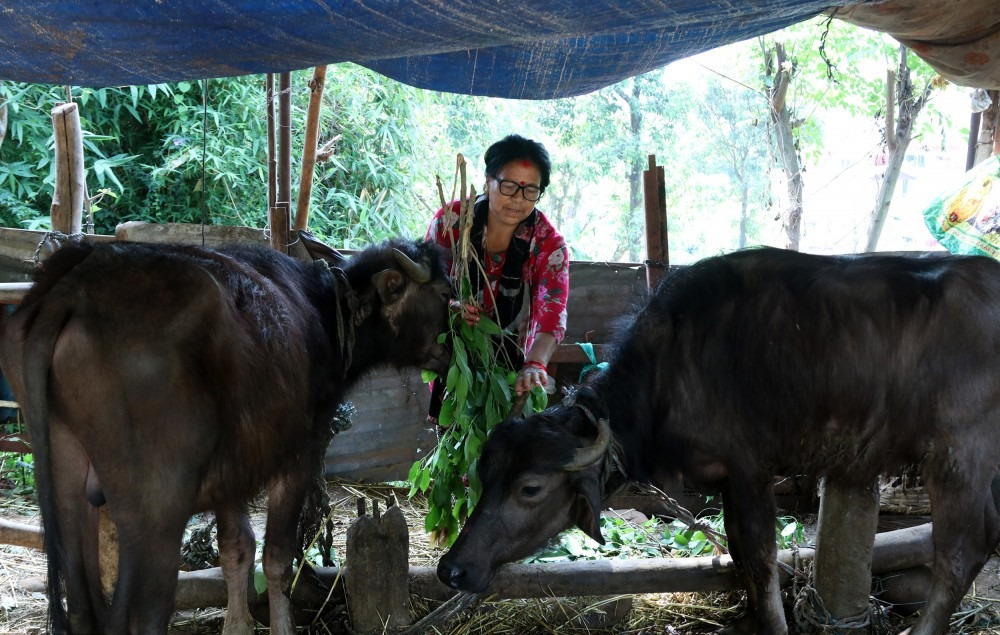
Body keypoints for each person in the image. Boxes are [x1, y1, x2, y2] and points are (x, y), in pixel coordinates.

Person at [426, 134, 569, 422]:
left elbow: (552, 311)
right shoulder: (450, 223)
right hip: (452, 361)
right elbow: (426, 288)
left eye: (530, 190)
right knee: (454, 429)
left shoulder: (548, 244)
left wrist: (535, 364)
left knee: (502, 435)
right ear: (488, 181)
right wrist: (451, 309)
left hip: (510, 370)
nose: (518, 198)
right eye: (508, 185)